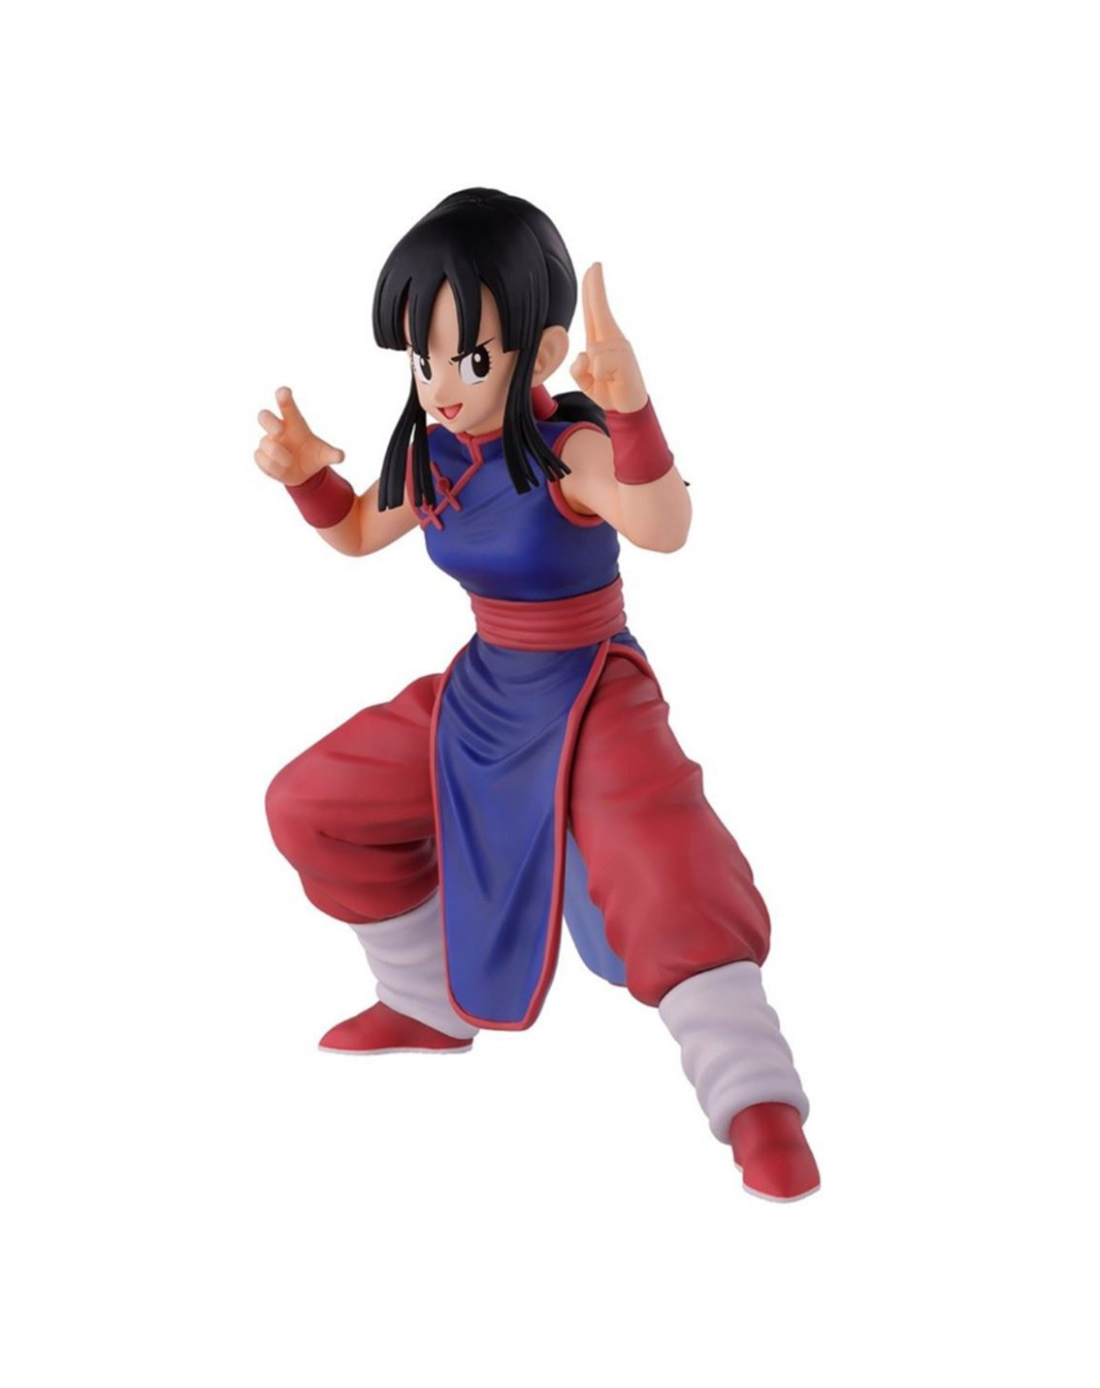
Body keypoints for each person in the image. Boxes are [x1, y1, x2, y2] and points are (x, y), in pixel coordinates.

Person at [257, 188, 820, 1201]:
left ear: (543, 350)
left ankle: (755, 1101)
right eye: (422, 360)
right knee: (312, 803)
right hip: (483, 689)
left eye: (470, 359)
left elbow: (662, 527)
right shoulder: (432, 451)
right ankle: (426, 1002)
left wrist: (632, 408)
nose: (441, 386)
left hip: (592, 684)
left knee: (665, 864)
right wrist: (305, 479)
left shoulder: (570, 448)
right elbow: (357, 531)